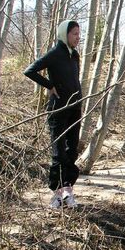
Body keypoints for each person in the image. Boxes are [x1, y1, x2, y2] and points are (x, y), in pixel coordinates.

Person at [24, 19, 82, 209]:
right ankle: (57, 194)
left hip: (74, 108)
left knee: (72, 149)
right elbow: (30, 70)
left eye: (78, 33)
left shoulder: (75, 56)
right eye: (74, 33)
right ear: (65, 34)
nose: (77, 37)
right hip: (58, 109)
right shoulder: (55, 54)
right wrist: (50, 86)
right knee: (59, 152)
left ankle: (68, 189)